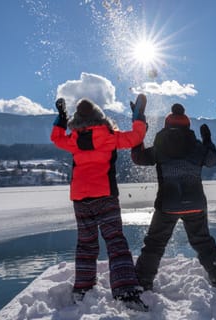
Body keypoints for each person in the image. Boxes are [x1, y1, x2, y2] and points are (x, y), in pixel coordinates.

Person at [50, 95, 149, 311]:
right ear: (99, 117)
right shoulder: (108, 136)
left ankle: (83, 288)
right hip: (105, 196)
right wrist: (138, 116)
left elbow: (56, 138)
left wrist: (60, 118)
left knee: (86, 244)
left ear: (77, 119)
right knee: (115, 242)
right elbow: (135, 137)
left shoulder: (73, 140)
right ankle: (125, 290)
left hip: (80, 198)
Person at [131, 103, 216, 291]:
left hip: (167, 205)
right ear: (188, 127)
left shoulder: (160, 147)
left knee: (154, 245)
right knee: (204, 244)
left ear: (166, 125)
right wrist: (207, 140)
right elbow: (213, 160)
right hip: (195, 204)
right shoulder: (196, 147)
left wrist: (141, 134)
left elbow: (138, 158)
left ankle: (142, 284)